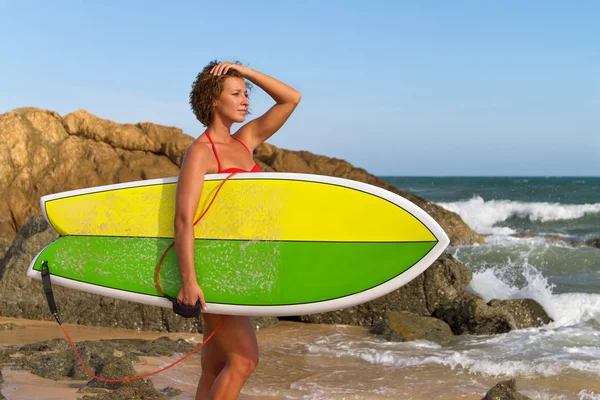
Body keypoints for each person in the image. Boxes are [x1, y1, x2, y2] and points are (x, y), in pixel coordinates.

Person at [173, 61, 301, 400]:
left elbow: (291, 99)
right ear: (215, 100)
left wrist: (245, 71)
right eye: (236, 93)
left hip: (238, 266)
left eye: (246, 94)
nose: (246, 100)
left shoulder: (245, 141)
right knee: (244, 360)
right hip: (214, 268)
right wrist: (189, 281)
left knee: (215, 365)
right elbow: (184, 220)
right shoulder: (200, 153)